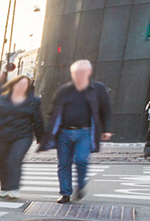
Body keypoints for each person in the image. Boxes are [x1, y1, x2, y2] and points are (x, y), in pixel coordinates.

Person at [42, 59, 112, 203]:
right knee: (64, 164)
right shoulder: (64, 90)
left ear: (89, 72)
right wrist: (50, 129)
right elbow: (52, 111)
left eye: (82, 72)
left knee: (81, 160)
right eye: (75, 73)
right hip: (64, 133)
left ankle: (80, 185)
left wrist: (107, 129)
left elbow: (106, 110)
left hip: (85, 132)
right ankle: (65, 193)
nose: (78, 75)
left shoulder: (98, 88)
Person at [0, 75, 47, 199]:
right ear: (13, 85)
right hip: (0, 136)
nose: (22, 86)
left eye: (25, 84)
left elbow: (38, 120)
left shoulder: (33, 101)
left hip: (22, 136)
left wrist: (41, 137)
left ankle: (14, 188)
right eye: (20, 84)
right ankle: (5, 188)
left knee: (14, 160)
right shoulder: (2, 98)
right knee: (2, 162)